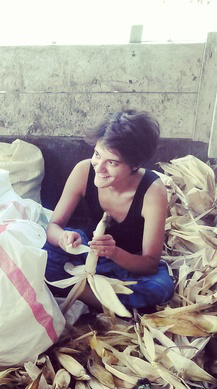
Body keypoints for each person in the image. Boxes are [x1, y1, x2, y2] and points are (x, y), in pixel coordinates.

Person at [45, 110, 174, 312]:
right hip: (86, 255)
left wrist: (114, 253)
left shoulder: (153, 191)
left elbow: (149, 263)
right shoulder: (83, 170)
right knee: (46, 256)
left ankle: (81, 293)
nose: (99, 168)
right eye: (97, 154)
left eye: (112, 162)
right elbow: (53, 226)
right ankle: (105, 301)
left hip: (127, 267)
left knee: (160, 289)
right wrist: (64, 237)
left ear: (135, 164)